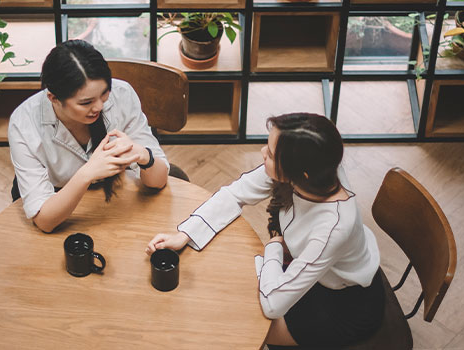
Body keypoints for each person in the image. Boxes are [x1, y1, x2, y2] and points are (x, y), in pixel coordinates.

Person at [145, 113, 384, 347]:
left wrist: (273, 248)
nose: (262, 152)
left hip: (339, 303)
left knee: (234, 324)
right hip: (306, 267)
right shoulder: (313, 170)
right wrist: (184, 235)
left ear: (302, 174)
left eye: (269, 154)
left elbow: (272, 303)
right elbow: (235, 193)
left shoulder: (333, 227)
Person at [9, 40, 169, 232]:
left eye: (104, 93)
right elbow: (45, 221)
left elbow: (158, 180)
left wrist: (144, 155)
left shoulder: (122, 95)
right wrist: (88, 172)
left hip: (118, 199)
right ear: (53, 98)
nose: (100, 107)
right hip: (61, 202)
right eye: (86, 102)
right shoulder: (24, 123)